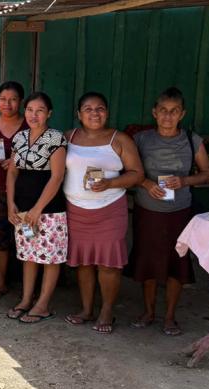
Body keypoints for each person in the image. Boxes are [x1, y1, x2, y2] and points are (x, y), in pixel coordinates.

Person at [128, 87, 209, 336]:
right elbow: (129, 171)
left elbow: (207, 172)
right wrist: (145, 183)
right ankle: (149, 312)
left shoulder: (191, 139)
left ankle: (170, 317)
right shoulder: (141, 139)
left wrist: (183, 181)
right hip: (148, 211)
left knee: (177, 262)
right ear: (155, 112)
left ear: (182, 114)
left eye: (174, 111)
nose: (168, 116)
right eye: (163, 111)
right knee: (148, 262)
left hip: (179, 212)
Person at [63, 92, 144, 334]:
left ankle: (107, 310)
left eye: (99, 108)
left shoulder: (119, 139)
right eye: (88, 109)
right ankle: (86, 309)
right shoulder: (69, 137)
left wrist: (110, 183)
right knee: (84, 262)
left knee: (108, 264)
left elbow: (137, 174)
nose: (94, 113)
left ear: (107, 112)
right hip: (76, 209)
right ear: (79, 114)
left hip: (109, 210)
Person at [4, 92, 68, 323]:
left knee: (49, 257)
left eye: (39, 110)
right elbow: (12, 172)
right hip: (22, 207)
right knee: (29, 255)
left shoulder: (56, 138)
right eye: (30, 110)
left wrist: (38, 209)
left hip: (49, 209)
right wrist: (11, 203)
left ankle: (42, 305)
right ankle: (26, 299)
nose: (34, 115)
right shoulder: (19, 138)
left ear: (48, 114)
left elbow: (57, 177)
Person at [0, 81, 28, 301]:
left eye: (13, 99)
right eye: (3, 99)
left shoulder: (31, 125)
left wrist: (16, 160)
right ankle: (0, 283)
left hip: (24, 190)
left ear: (20, 102)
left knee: (26, 234)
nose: (7, 104)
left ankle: (26, 284)